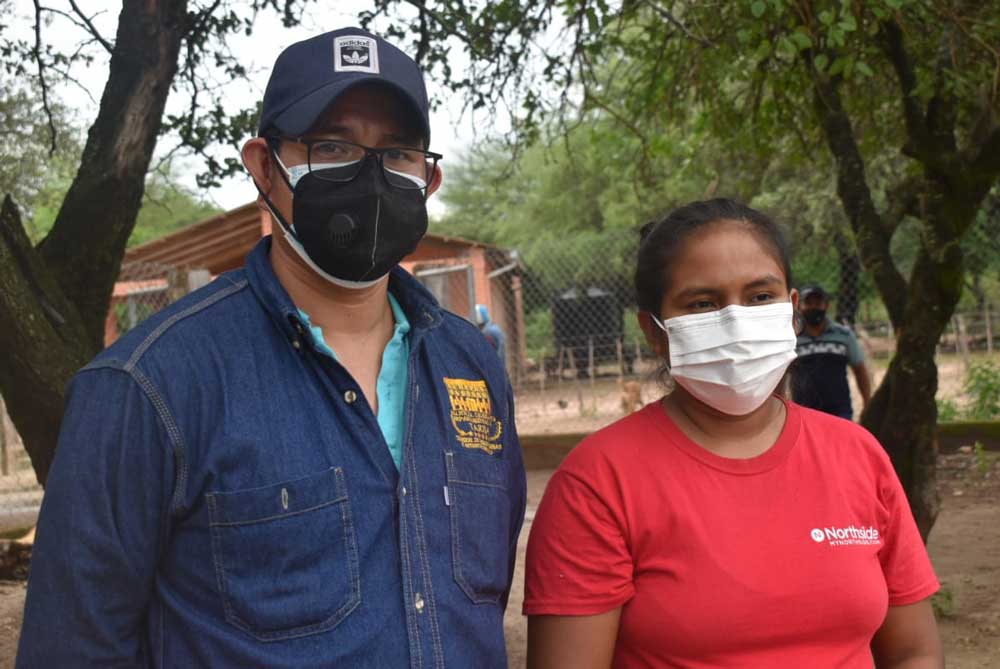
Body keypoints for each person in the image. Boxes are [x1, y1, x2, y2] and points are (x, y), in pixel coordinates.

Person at [18, 28, 526, 668]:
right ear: (263, 164)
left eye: (397, 153)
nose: (369, 175)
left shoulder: (471, 364)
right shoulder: (148, 387)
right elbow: (74, 649)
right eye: (333, 145)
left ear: (428, 176)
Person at [523, 199, 942, 668]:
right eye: (702, 304)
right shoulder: (598, 484)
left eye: (760, 297)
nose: (737, 322)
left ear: (792, 309)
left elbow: (914, 652)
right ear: (656, 332)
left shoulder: (858, 456)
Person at [791, 283, 872, 420]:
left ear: (826, 305)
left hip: (840, 412)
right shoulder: (792, 339)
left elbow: (860, 370)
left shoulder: (844, 335)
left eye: (818, 303)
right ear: (799, 306)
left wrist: (867, 403)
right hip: (803, 413)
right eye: (808, 303)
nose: (813, 307)